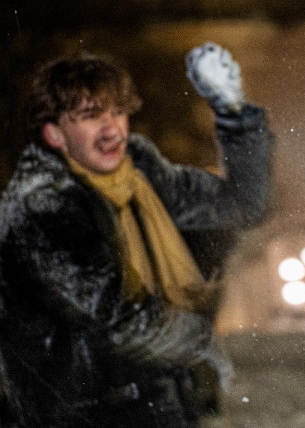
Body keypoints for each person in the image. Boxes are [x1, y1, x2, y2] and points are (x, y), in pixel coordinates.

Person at [0, 44, 272, 427]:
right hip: (79, 415)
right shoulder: (44, 209)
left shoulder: (139, 177)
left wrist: (234, 115)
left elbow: (243, 205)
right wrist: (198, 343)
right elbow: (119, 320)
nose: (112, 128)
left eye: (118, 112)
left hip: (156, 402)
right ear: (55, 134)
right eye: (91, 116)